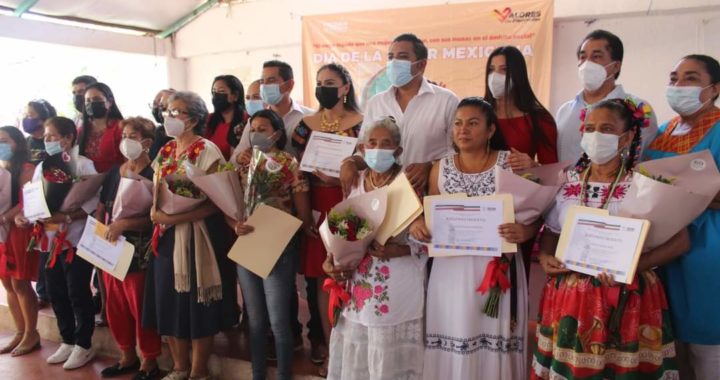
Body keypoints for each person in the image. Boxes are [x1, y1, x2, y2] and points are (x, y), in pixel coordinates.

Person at [532, 98, 687, 379]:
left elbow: (680, 241)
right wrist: (545, 257)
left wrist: (633, 268)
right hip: (571, 297)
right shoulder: (567, 180)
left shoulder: (644, 183)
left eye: (605, 129)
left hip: (629, 295)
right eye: (589, 128)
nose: (595, 136)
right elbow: (552, 232)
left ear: (627, 137)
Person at [410, 97, 533, 380]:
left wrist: (525, 231)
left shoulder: (511, 163)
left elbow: (534, 212)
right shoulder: (439, 167)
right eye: (458, 123)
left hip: (497, 269)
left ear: (491, 130)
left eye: (473, 123)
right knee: (454, 329)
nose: (463, 130)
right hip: (451, 270)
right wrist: (420, 224)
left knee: (493, 335)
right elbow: (432, 214)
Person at [324, 117, 427, 380]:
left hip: (397, 285)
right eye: (372, 142)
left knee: (388, 358)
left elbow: (428, 239)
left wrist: (399, 250)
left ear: (398, 151)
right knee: (358, 356)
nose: (378, 148)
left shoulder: (411, 185)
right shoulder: (354, 181)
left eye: (386, 144)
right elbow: (340, 230)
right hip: (358, 284)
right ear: (362, 148)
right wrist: (332, 260)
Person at [143, 91, 229, 380]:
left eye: (176, 112)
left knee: (196, 304)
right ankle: (179, 367)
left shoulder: (207, 150)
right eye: (168, 111)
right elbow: (155, 188)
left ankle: (198, 370)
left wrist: (174, 217)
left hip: (196, 236)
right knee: (169, 301)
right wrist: (156, 213)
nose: (169, 117)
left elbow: (216, 201)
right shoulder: (166, 150)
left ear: (192, 119)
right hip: (165, 236)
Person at [644, 54, 720, 380]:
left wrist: (690, 194)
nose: (677, 85)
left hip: (707, 248)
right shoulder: (662, 133)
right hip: (663, 250)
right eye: (673, 78)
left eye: (690, 78)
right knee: (671, 346)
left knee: (708, 345)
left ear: (713, 88)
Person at [289, 62, 363, 372]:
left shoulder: (363, 123)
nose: (323, 87)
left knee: (354, 276)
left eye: (330, 82)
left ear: (345, 87)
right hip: (316, 203)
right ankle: (335, 355)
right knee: (324, 281)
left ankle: (356, 355)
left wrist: (348, 174)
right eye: (319, 82)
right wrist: (305, 213)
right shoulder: (305, 125)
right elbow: (298, 171)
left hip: (351, 200)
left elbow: (371, 163)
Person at [232, 109, 316, 380]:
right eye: (252, 129)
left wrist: (294, 228)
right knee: (255, 322)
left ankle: (283, 374)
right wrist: (235, 225)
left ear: (277, 134)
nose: (256, 134)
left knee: (279, 321)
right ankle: (258, 374)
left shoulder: (288, 163)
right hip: (248, 242)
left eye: (263, 129)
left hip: (279, 245)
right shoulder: (243, 164)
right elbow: (231, 203)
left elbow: (302, 211)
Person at [15, 116, 99, 370]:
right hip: (49, 239)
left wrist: (68, 215)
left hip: (75, 238)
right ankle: (68, 339)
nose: (48, 141)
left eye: (53, 136)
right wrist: (24, 215)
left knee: (77, 291)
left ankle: (84, 343)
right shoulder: (42, 167)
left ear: (68, 138)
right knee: (56, 291)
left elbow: (93, 202)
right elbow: (34, 198)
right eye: (47, 137)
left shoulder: (84, 165)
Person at [340, 33, 459, 195]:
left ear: (421, 65)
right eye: (390, 57)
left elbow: (459, 151)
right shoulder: (376, 103)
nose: (394, 62)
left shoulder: (446, 101)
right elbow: (366, 149)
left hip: (429, 193)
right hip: (383, 196)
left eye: (402, 57)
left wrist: (432, 166)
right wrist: (351, 162)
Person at [96, 117, 161, 380]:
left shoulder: (155, 173)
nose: (126, 141)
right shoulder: (116, 171)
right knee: (115, 304)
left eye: (132, 136)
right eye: (124, 135)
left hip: (139, 248)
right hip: (110, 245)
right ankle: (127, 355)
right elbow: (106, 205)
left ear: (146, 142)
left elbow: (157, 215)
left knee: (138, 304)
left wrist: (126, 223)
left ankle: (149, 360)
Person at [556, 29, 658, 164]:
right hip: (566, 185)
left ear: (616, 66)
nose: (587, 64)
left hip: (618, 184)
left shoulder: (639, 109)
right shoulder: (565, 110)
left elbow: (643, 157)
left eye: (596, 57)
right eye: (583, 57)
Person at [0, 126, 40, 356]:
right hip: (3, 230)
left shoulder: (26, 167)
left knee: (20, 283)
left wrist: (4, 217)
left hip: (18, 227)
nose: (1, 146)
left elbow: (26, 200)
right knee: (6, 281)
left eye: (5, 140)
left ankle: (31, 333)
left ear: (17, 143)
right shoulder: (2, 167)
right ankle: (19, 330)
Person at [233, 60, 313, 159]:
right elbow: (235, 159)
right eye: (262, 81)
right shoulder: (255, 121)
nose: (265, 86)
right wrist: (240, 157)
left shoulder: (309, 117)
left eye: (271, 81)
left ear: (289, 85)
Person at [22, 99, 57, 309]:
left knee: (53, 248)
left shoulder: (50, 141)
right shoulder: (28, 143)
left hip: (55, 201)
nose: (28, 119)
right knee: (40, 247)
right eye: (26, 115)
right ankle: (42, 292)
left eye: (32, 114)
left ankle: (50, 291)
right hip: (35, 200)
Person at [79, 82, 125, 173]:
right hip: (88, 183)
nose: (92, 103)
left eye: (96, 99)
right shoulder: (81, 130)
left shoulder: (121, 128)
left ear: (110, 102)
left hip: (116, 182)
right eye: (88, 101)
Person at [207, 75, 247, 160]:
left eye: (221, 91)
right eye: (214, 91)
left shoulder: (246, 120)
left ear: (235, 96)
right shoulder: (209, 119)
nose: (216, 95)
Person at [149, 89, 175, 160]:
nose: (160, 110)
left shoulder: (177, 135)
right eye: (159, 105)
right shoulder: (159, 131)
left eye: (164, 106)